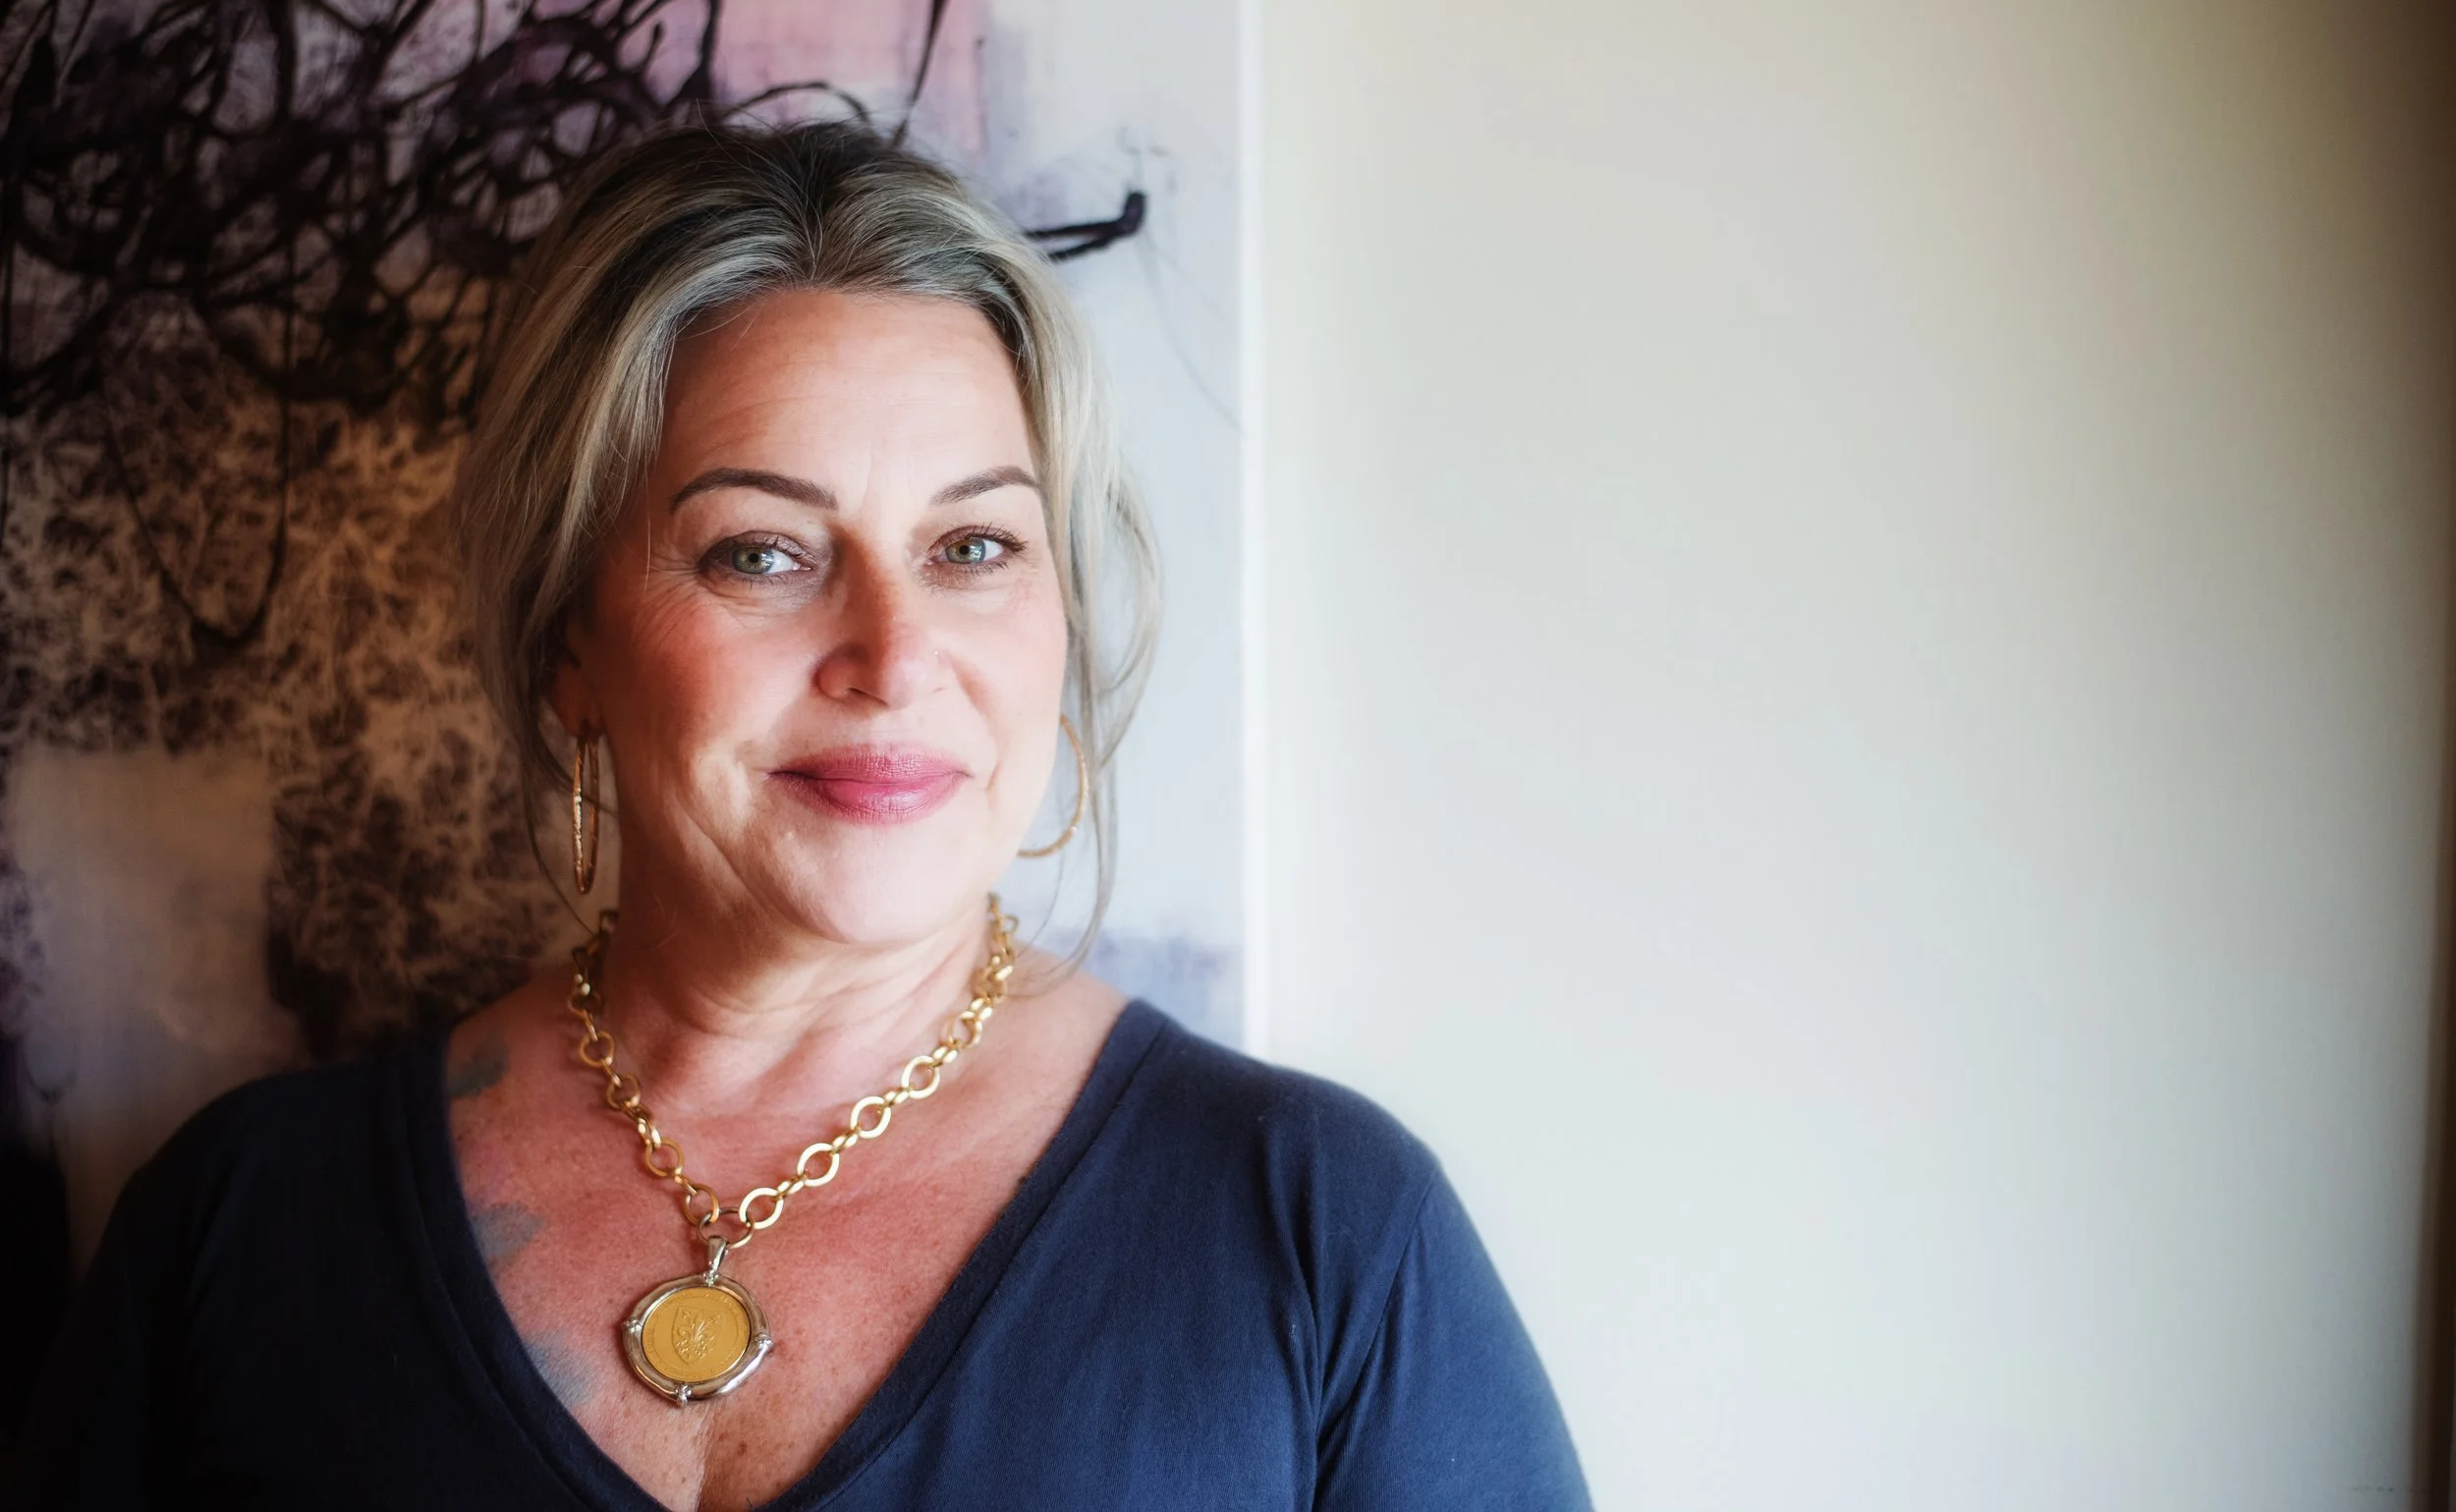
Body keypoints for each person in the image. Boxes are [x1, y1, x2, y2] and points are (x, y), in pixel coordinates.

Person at [10, 121, 1591, 1511]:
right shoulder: (244, 1226)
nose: (896, 657)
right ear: (572, 640)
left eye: (974, 549)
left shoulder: (1318, 1231)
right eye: (762, 552)